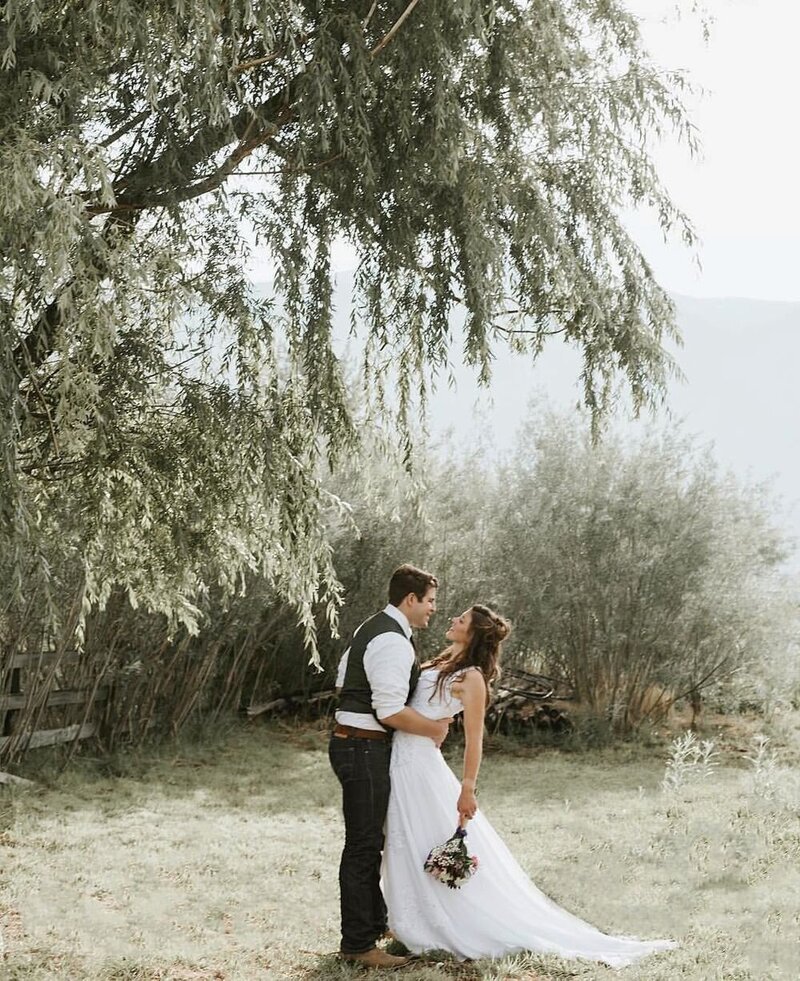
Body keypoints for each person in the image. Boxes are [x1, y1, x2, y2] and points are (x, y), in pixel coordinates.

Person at [382, 604, 677, 967]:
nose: (452, 620)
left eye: (460, 620)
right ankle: (408, 919)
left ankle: (443, 922)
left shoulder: (472, 677)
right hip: (402, 759)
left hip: (422, 766)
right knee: (405, 839)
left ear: (472, 633)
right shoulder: (439, 663)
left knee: (421, 838)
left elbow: (475, 738)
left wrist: (468, 787)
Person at [329, 563, 451, 970]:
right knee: (364, 846)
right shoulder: (393, 642)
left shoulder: (375, 628)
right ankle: (358, 945)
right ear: (411, 599)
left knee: (371, 842)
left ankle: (375, 924)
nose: (434, 608)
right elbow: (389, 710)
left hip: (357, 744)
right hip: (362, 748)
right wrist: (434, 726)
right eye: (430, 601)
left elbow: (344, 680)